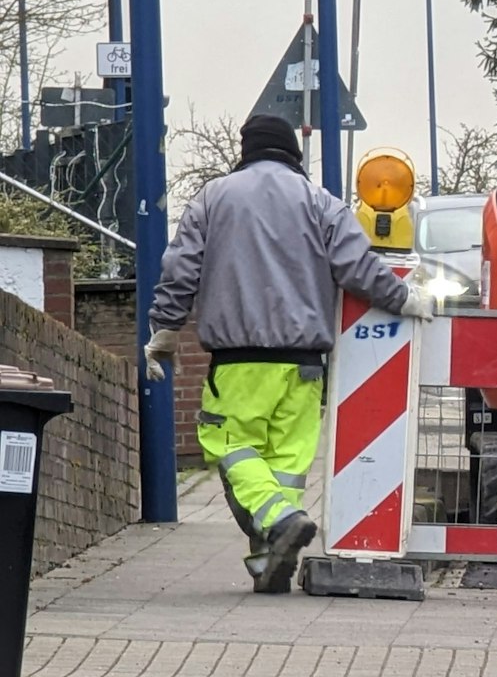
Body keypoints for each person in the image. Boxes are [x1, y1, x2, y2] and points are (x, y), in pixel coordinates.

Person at [142, 115, 434, 593]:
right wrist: (404, 299)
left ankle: (279, 524)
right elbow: (358, 266)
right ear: (293, 155)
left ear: (246, 150)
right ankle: (268, 562)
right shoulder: (322, 203)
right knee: (286, 463)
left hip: (240, 361)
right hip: (304, 365)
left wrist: (166, 330)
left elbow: (180, 269)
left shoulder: (213, 198)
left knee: (230, 446)